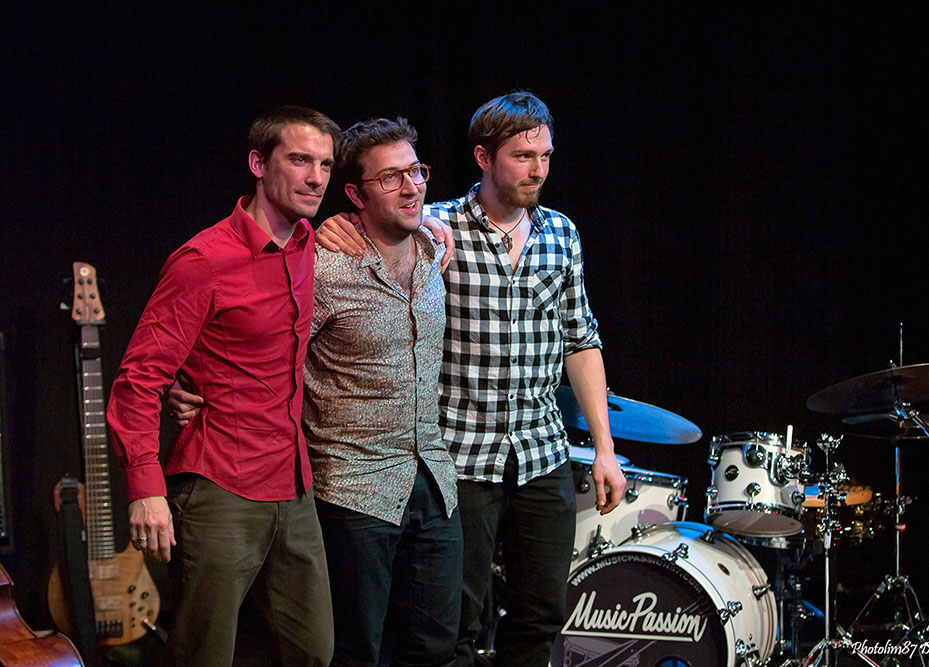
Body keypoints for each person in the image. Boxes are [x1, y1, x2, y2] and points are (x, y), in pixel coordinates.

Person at [317, 92, 627, 667]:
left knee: (540, 615)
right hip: (462, 458)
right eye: (523, 156)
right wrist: (338, 223)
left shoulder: (561, 234)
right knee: (455, 623)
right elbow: (377, 224)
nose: (538, 170)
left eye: (545, 155)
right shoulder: (436, 227)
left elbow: (581, 340)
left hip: (540, 452)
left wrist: (604, 449)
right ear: (484, 158)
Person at [107, 105, 339, 667]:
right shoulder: (204, 261)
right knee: (203, 654)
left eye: (326, 165)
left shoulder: (310, 242)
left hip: (293, 483)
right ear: (258, 163)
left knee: (315, 651)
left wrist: (431, 226)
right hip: (220, 486)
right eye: (300, 160)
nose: (316, 178)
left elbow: (394, 214)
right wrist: (145, 489)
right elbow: (139, 379)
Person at [307, 118, 462, 666]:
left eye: (416, 171)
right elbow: (273, 358)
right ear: (355, 195)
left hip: (433, 480)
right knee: (357, 652)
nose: (411, 187)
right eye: (391, 177)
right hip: (353, 488)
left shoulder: (434, 247)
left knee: (436, 648)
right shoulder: (324, 268)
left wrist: (431, 221)